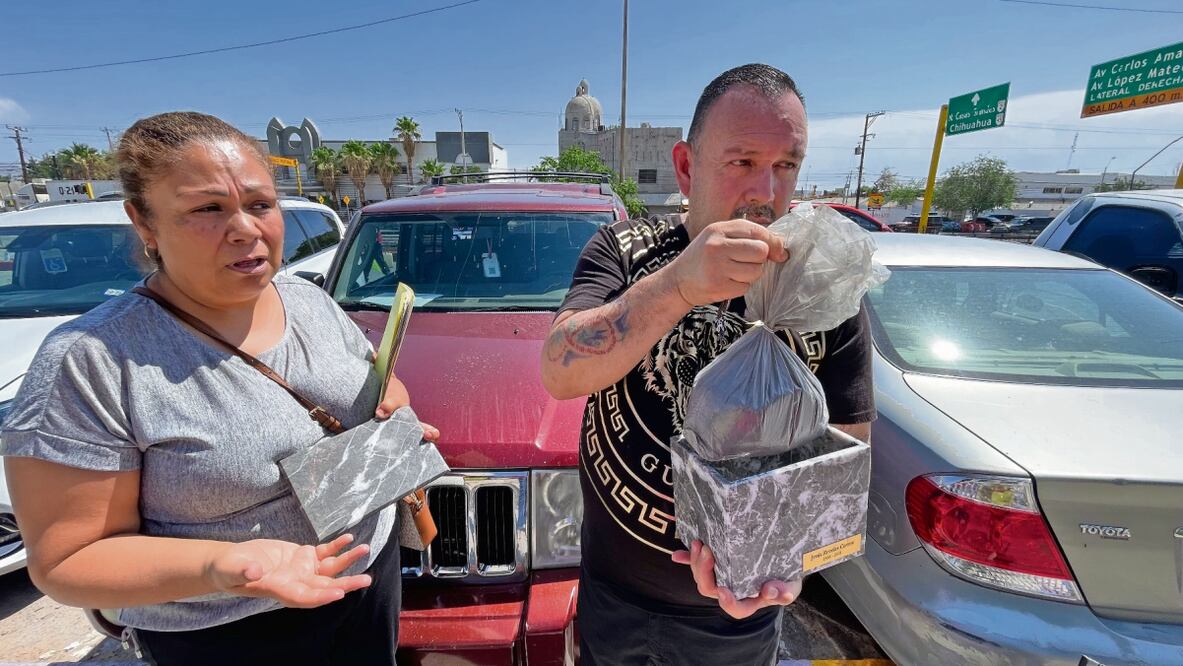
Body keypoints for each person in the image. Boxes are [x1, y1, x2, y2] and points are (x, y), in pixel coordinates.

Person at [1, 111, 437, 666]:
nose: (246, 229)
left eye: (260, 204)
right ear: (144, 222)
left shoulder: (309, 300)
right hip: (226, 632)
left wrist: (389, 409)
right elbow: (67, 561)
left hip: (368, 583)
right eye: (208, 209)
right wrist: (223, 567)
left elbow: (371, 375)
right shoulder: (91, 362)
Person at [540, 64, 875, 664]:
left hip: (739, 620)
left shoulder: (822, 292)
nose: (766, 192)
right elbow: (561, 370)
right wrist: (679, 287)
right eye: (742, 161)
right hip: (614, 602)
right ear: (688, 167)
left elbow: (843, 454)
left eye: (786, 166)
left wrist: (791, 568)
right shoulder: (626, 251)